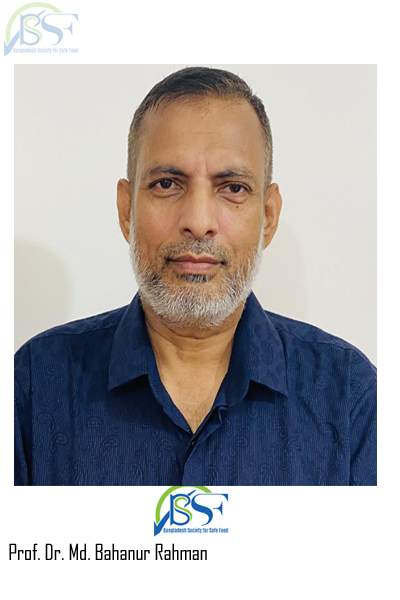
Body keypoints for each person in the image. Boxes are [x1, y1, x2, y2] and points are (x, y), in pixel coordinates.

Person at [14, 66, 376, 486]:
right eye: (167, 183)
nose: (199, 222)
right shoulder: (34, 385)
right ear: (127, 210)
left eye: (233, 188)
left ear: (268, 216)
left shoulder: (347, 396)